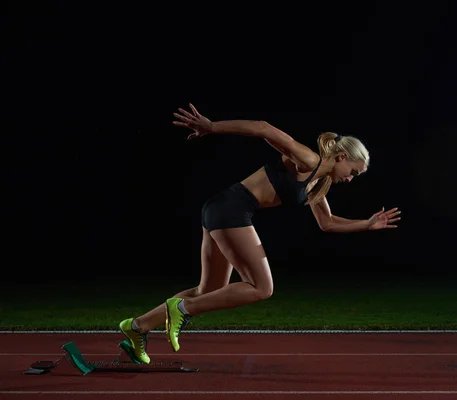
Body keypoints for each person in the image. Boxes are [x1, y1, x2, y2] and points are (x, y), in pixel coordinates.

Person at [118, 103, 401, 364]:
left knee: (209, 291)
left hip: (220, 208)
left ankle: (136, 327)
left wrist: (367, 224)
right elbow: (263, 128)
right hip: (232, 209)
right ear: (341, 157)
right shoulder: (308, 159)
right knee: (261, 287)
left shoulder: (317, 184)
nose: (350, 179)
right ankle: (183, 310)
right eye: (353, 171)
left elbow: (327, 223)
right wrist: (212, 126)